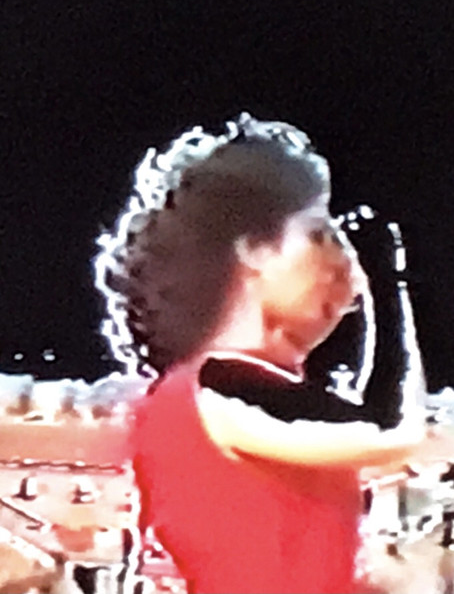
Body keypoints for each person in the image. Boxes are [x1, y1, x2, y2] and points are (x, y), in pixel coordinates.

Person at [94, 113, 426, 594]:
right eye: (319, 235)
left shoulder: (205, 389)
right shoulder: (220, 385)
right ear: (254, 249)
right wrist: (387, 278)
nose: (343, 264)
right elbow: (390, 428)